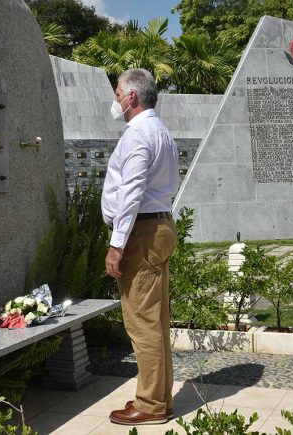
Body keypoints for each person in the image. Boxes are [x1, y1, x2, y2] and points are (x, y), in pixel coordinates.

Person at [101, 68, 179, 425]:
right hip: (159, 226)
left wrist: (117, 244)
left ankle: (149, 405)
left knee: (142, 322)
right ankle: (160, 400)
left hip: (140, 233)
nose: (116, 98)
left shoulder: (137, 134)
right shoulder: (161, 131)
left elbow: (131, 192)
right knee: (156, 321)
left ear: (132, 96)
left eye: (118, 92)